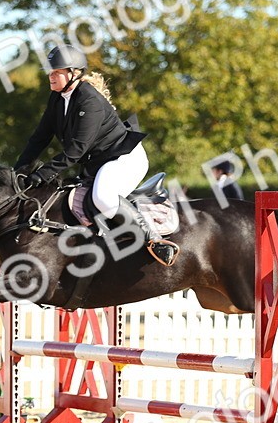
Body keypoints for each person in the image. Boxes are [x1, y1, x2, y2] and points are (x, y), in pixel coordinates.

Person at [13, 44, 179, 266]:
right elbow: (39, 139)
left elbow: (76, 150)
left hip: (125, 158)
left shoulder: (89, 101)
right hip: (100, 163)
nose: (50, 76)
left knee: (103, 197)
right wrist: (18, 171)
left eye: (56, 72)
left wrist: (41, 175)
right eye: (50, 72)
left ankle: (153, 240)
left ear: (74, 73)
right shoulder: (57, 99)